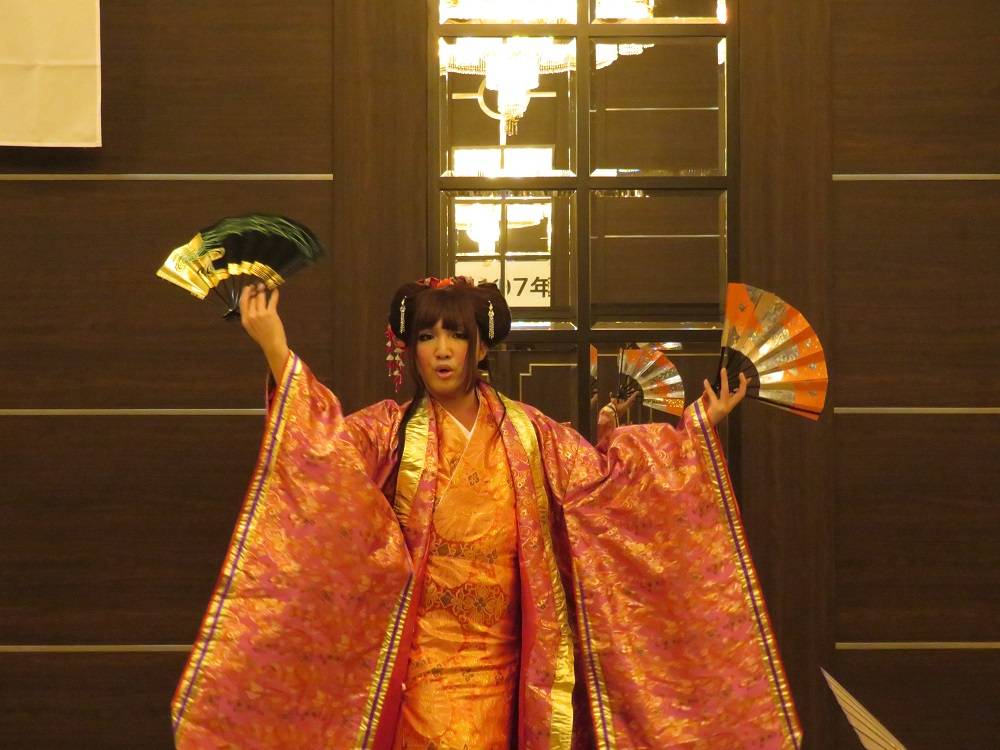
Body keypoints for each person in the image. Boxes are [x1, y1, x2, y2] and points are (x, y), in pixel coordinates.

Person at [171, 277, 802, 750]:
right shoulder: (391, 432)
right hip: (425, 666)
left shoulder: (532, 433)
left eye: (456, 336)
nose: (441, 351)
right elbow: (321, 455)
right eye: (426, 337)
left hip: (515, 664)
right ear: (411, 349)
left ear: (480, 348)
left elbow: (612, 489)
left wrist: (696, 428)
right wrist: (276, 349)